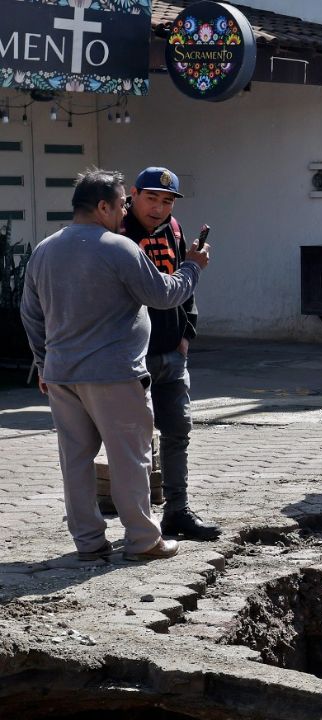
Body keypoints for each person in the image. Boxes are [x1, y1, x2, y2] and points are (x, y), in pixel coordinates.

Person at [21, 168, 210, 562]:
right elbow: (163, 294)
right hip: (114, 374)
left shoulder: (44, 249)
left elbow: (31, 315)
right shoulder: (118, 247)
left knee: (75, 460)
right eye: (123, 202)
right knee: (130, 458)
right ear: (102, 206)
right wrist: (192, 266)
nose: (126, 211)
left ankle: (88, 544)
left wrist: (43, 363)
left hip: (62, 375)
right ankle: (143, 541)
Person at [120, 167, 219, 540]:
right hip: (131, 358)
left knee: (177, 432)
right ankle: (141, 519)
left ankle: (177, 511)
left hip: (171, 353)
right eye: (151, 198)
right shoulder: (119, 233)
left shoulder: (175, 230)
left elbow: (185, 284)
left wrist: (186, 334)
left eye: (166, 201)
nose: (158, 209)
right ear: (132, 195)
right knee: (135, 441)